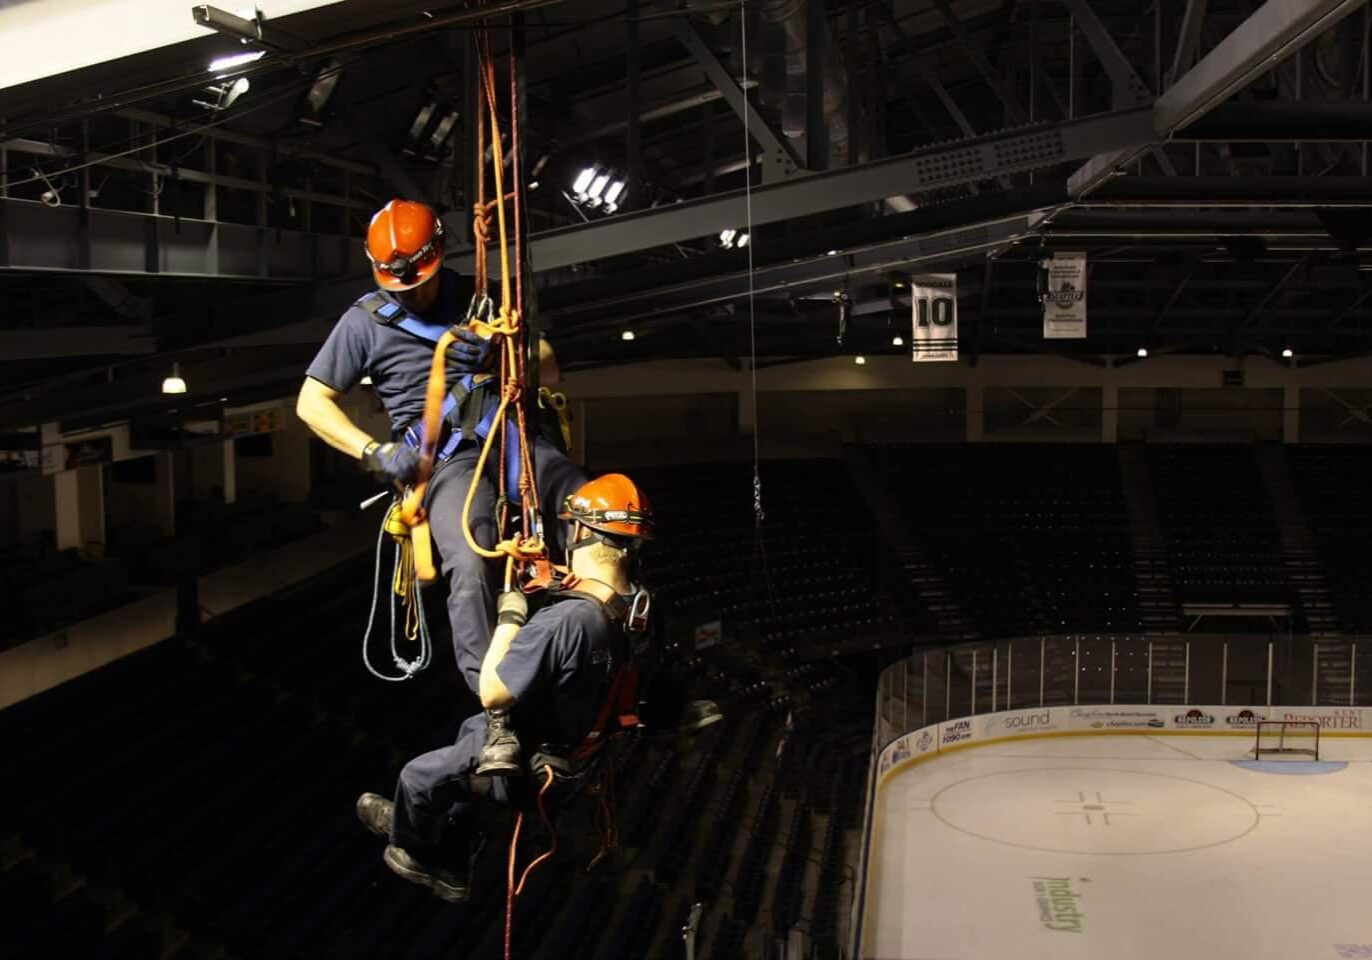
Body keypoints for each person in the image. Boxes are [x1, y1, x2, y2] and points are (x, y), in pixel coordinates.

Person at [296, 199, 586, 709]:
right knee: (470, 559)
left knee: (591, 511)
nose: (410, 294)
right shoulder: (364, 323)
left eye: (419, 283)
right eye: (397, 286)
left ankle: (619, 654)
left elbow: (549, 364)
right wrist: (372, 452)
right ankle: (492, 704)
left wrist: (500, 352)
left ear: (437, 258)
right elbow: (311, 402)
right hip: (446, 459)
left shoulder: (478, 296)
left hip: (506, 430)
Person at [354, 474, 657, 901]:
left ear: (581, 532)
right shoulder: (637, 606)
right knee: (465, 755)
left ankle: (414, 848)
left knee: (417, 779)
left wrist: (511, 614)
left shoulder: (565, 621)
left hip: (526, 762)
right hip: (574, 761)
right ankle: (455, 864)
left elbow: (494, 691)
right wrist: (544, 576)